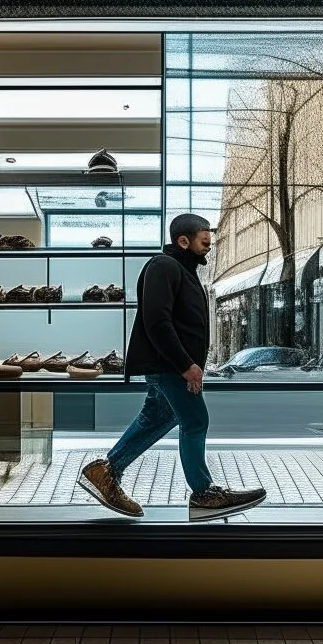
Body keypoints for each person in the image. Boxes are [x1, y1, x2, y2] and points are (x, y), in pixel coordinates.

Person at [78, 213, 267, 521]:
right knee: (195, 420)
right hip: (168, 366)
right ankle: (203, 493)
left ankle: (106, 472)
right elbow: (157, 321)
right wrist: (186, 366)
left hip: (171, 366)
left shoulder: (182, 270)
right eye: (204, 242)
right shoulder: (163, 266)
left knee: (157, 418)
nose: (209, 248)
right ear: (184, 241)